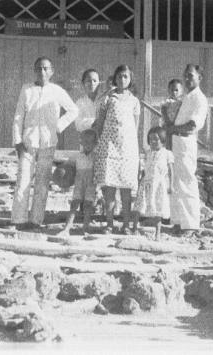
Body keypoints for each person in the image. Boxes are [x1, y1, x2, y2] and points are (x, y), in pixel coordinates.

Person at [11, 57, 79, 229]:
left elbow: (73, 110)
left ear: (51, 71)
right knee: (24, 180)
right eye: (39, 68)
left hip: (48, 142)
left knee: (42, 182)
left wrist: (59, 125)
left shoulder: (57, 90)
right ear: (34, 71)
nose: (42, 72)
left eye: (45, 69)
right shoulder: (26, 90)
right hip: (28, 141)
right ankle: (19, 219)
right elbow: (19, 116)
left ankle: (36, 220)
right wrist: (17, 140)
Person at [93, 64, 140, 235]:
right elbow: (100, 122)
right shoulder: (108, 98)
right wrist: (100, 142)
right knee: (110, 188)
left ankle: (126, 224)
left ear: (130, 79)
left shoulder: (134, 101)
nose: (122, 80)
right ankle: (110, 223)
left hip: (127, 149)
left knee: (126, 189)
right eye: (119, 76)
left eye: (125, 77)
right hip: (109, 146)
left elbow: (135, 126)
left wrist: (133, 148)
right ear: (115, 79)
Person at [168, 64, 208, 237]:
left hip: (185, 143)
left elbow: (192, 125)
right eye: (185, 76)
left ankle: (190, 224)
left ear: (199, 78)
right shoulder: (186, 97)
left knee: (187, 182)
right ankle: (179, 222)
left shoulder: (199, 99)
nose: (186, 79)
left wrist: (173, 130)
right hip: (176, 143)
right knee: (177, 183)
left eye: (190, 76)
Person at [132, 127, 174, 240]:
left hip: (159, 185)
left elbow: (170, 170)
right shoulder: (147, 153)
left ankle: (158, 232)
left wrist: (171, 185)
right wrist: (139, 179)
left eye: (156, 139)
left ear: (163, 140)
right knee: (139, 205)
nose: (153, 142)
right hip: (146, 183)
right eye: (150, 140)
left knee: (158, 208)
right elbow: (142, 168)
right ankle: (134, 227)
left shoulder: (167, 153)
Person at [58, 129, 97, 235]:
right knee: (74, 204)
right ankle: (67, 227)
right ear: (81, 142)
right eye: (85, 142)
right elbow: (66, 168)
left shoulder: (96, 157)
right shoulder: (77, 156)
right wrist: (64, 181)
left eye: (91, 142)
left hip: (91, 183)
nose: (88, 144)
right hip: (79, 183)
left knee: (88, 205)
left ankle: (85, 227)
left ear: (95, 143)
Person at [74, 69, 101, 133]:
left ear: (99, 83)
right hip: (87, 139)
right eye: (88, 81)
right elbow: (78, 124)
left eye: (95, 81)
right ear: (83, 84)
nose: (92, 83)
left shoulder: (105, 100)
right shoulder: (79, 103)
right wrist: (95, 122)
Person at [160, 79, 184, 150]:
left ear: (181, 91)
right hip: (168, 125)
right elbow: (163, 112)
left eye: (176, 90)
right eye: (172, 90)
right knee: (168, 144)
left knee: (177, 145)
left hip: (178, 126)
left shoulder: (182, 103)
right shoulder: (166, 102)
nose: (174, 92)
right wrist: (169, 122)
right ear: (168, 90)